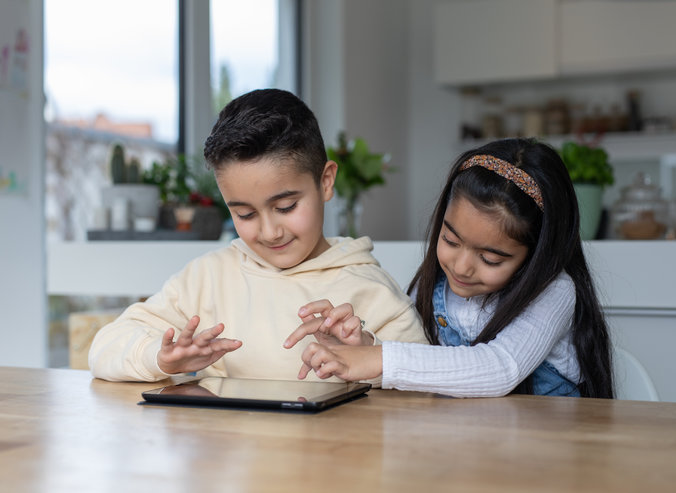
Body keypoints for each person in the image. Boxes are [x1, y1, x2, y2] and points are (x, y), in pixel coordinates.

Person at [88, 88, 427, 382]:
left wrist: (368, 356)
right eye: (245, 214)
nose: (269, 231)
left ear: (325, 182)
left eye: (286, 207)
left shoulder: (370, 289)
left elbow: (429, 383)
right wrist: (159, 358)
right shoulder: (207, 278)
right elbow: (105, 347)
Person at [285, 138, 614, 398]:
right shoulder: (432, 287)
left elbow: (500, 368)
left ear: (539, 255)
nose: (461, 266)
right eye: (450, 240)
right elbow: (420, 367)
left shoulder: (556, 291)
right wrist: (363, 348)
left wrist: (379, 359)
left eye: (491, 259)